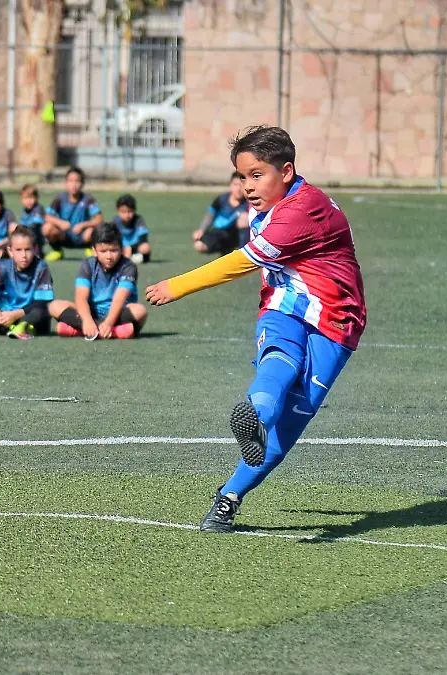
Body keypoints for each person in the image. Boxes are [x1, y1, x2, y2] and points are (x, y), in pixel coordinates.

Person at [144, 126, 366, 533]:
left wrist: (177, 285)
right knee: (278, 360)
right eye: (241, 176)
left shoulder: (302, 210)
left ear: (287, 171)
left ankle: (230, 493)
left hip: (335, 318)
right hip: (283, 304)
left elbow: (240, 263)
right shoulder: (267, 200)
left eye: (256, 175)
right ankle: (256, 415)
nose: (246, 186)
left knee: (291, 422)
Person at [51, 223, 147, 339]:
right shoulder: (88, 265)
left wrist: (109, 323)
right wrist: (87, 320)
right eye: (103, 251)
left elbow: (119, 298)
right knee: (54, 306)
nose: (109, 256)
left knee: (140, 311)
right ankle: (114, 332)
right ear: (94, 251)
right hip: (93, 313)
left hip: (118, 314)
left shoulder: (128, 267)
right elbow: (81, 297)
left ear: (121, 249)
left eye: (114, 250)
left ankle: (83, 331)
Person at [0, 228, 54, 339]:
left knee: (42, 313)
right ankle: (14, 328)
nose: (24, 255)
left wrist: (15, 315)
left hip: (26, 315)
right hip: (7, 315)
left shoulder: (42, 268)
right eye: (19, 250)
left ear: (35, 249)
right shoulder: (4, 267)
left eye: (28, 250)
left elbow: (40, 303)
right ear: (10, 251)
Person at [42, 166, 102, 261]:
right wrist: (60, 223)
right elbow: (46, 216)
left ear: (82, 184)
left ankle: (90, 249)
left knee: (94, 230)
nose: (74, 185)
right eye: (70, 181)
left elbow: (99, 219)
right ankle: (57, 251)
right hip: (65, 236)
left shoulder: (88, 198)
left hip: (83, 237)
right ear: (66, 183)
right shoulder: (60, 199)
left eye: (77, 181)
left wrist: (83, 225)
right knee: (47, 228)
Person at [193, 173, 250, 256]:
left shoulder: (249, 203)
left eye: (241, 185)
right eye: (235, 185)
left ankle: (243, 255)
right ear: (230, 185)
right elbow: (210, 216)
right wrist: (201, 230)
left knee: (244, 217)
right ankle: (225, 251)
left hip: (236, 236)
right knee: (199, 245)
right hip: (218, 233)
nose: (238, 188)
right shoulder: (221, 199)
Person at [112, 194, 151, 264]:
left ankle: (137, 258)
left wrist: (131, 248)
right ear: (118, 211)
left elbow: (143, 238)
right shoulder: (114, 222)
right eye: (123, 212)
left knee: (145, 247)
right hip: (122, 249)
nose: (127, 215)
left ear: (134, 210)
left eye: (129, 211)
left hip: (135, 248)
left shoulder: (139, 220)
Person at [13, 184, 47, 253]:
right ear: (21, 199)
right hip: (28, 235)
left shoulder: (38, 208)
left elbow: (36, 224)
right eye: (26, 198)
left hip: (37, 237)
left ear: (37, 198)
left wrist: (24, 229)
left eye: (31, 198)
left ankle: (37, 251)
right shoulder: (25, 211)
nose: (29, 201)